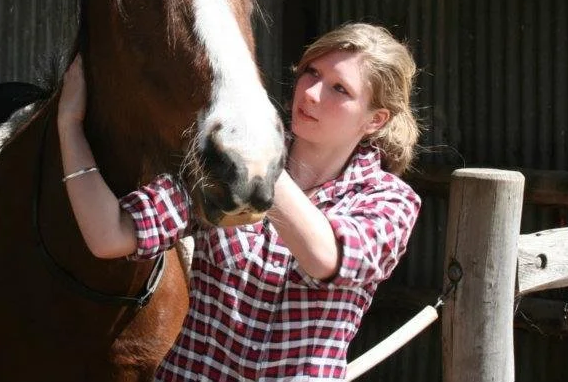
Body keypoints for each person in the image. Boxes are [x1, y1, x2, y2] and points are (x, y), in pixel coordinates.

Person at [57, 22, 422, 381]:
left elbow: (324, 256)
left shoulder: (391, 202)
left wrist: (256, 154)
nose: (311, 93)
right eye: (311, 72)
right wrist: (69, 126)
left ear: (375, 120)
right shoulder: (220, 169)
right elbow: (110, 235)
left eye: (340, 89)